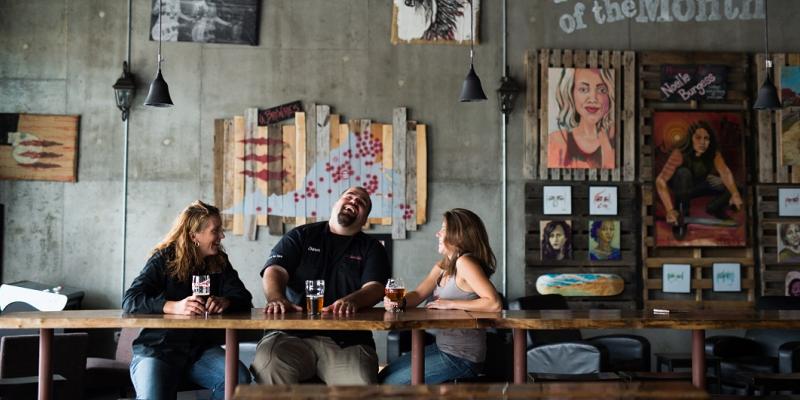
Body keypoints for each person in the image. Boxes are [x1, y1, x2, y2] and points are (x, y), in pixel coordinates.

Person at [250, 186, 390, 384]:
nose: (354, 201)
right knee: (269, 366)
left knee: (360, 382)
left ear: (365, 219)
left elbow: (375, 287)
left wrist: (352, 301)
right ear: (335, 204)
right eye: (349, 196)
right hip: (289, 334)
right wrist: (276, 298)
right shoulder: (301, 235)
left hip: (347, 340)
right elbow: (275, 270)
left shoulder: (372, 248)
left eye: (362, 203)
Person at [122, 200, 253, 400]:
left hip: (199, 350)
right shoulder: (164, 259)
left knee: (238, 380)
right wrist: (173, 306)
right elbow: (131, 299)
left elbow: (243, 298)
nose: (222, 236)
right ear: (194, 236)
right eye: (215, 231)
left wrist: (226, 301)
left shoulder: (219, 261)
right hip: (158, 349)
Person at [379, 208, 502, 384]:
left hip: (462, 357)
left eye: (443, 229)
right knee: (383, 376)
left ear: (458, 236)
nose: (437, 233)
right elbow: (420, 293)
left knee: (389, 383)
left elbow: (494, 304)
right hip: (443, 348)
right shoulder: (444, 265)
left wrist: (450, 303)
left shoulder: (465, 263)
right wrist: (400, 302)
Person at [655, 120, 744, 239]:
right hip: (680, 188)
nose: (702, 142)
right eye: (698, 138)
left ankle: (714, 208)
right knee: (684, 173)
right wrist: (670, 210)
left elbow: (725, 172)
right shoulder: (679, 153)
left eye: (706, 138)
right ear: (690, 139)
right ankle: (682, 217)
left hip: (698, 185)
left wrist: (735, 193)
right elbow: (660, 181)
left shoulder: (713, 154)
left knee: (736, 187)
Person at [548, 68, 615, 169]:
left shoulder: (616, 139)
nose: (593, 98)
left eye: (602, 90)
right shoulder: (556, 140)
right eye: (583, 89)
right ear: (571, 93)